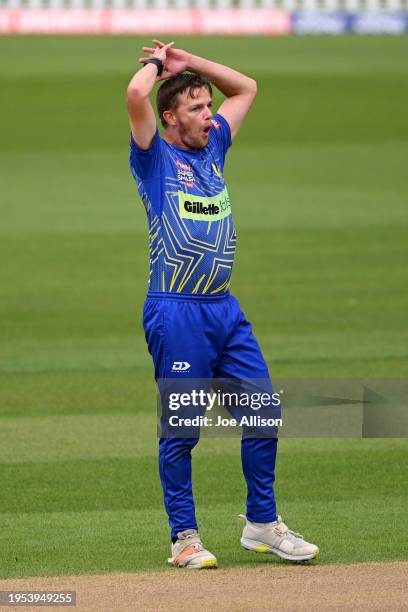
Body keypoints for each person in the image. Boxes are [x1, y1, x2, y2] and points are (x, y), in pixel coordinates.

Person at [127, 39, 319, 569]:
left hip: (224, 310)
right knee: (183, 428)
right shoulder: (153, 157)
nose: (210, 117)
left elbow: (247, 87)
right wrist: (156, 66)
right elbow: (133, 95)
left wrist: (192, 65)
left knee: (263, 412)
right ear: (170, 118)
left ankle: (261, 523)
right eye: (195, 108)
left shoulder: (213, 149)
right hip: (176, 309)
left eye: (210, 107)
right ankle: (184, 538)